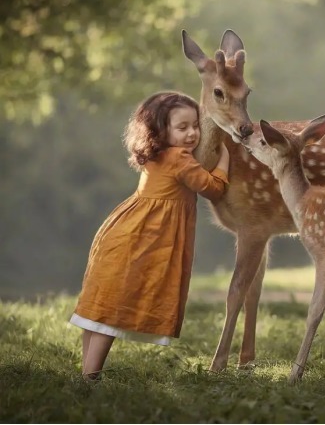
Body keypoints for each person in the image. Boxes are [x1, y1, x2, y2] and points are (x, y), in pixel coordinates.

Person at [70, 91, 230, 381]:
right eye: (182, 128)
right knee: (113, 311)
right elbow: (212, 188)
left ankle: (86, 372)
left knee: (100, 306)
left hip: (121, 231)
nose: (193, 133)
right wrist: (224, 162)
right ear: (160, 130)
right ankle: (90, 378)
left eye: (196, 125)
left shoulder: (156, 154)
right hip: (145, 237)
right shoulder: (180, 159)